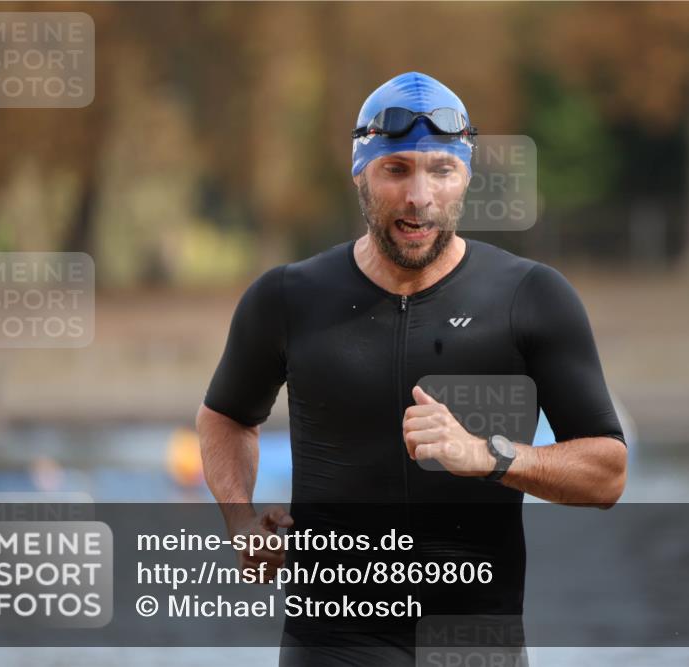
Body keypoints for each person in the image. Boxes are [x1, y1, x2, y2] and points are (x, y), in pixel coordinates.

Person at [197, 71, 627, 666]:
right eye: (395, 169)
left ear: (466, 177)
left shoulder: (531, 297)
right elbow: (224, 418)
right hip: (332, 645)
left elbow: (608, 473)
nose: (419, 195)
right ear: (361, 174)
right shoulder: (289, 297)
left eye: (441, 170)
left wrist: (491, 456)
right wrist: (241, 520)